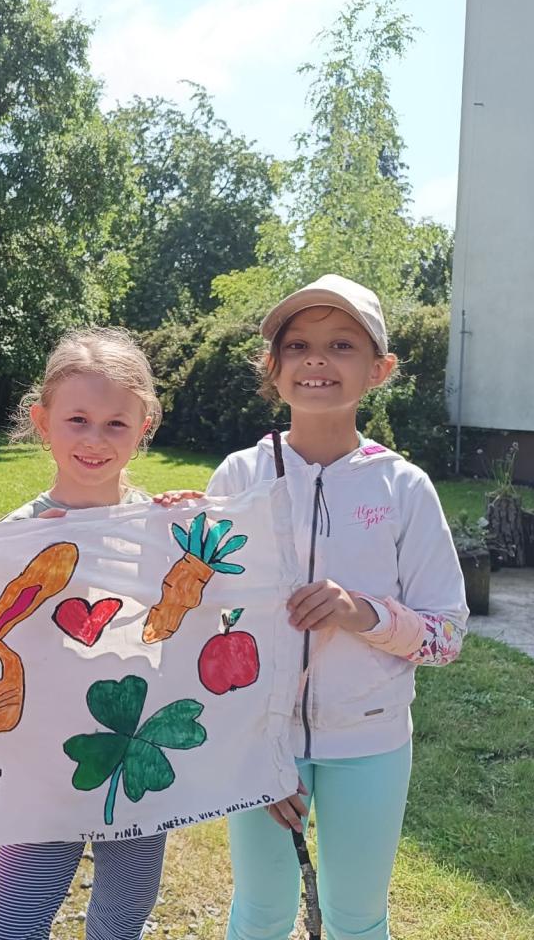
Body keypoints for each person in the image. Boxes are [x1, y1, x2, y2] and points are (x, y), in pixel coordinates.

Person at [209, 275, 468, 940]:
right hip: (262, 742)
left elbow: (446, 635)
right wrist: (256, 744)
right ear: (273, 367)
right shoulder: (239, 476)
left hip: (371, 741)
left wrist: (363, 614)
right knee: (261, 911)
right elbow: (206, 616)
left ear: (379, 369)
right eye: (297, 345)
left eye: (342, 345)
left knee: (357, 917)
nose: (316, 359)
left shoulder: (404, 488)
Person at [0, 326, 200, 940]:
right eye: (77, 420)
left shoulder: (164, 528)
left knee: (121, 920)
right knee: (15, 924)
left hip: (136, 752)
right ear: (42, 421)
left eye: (116, 424)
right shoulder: (14, 533)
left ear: (144, 427)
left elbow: (192, 616)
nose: (95, 440)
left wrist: (192, 536)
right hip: (42, 762)